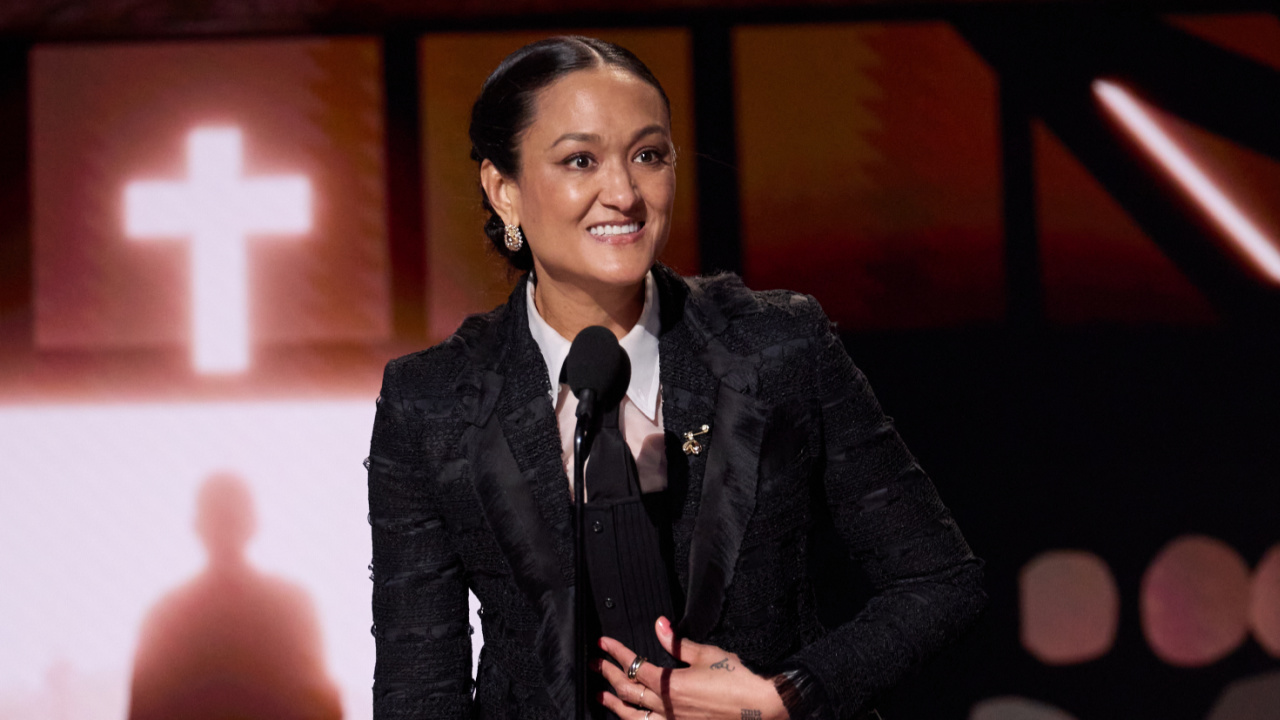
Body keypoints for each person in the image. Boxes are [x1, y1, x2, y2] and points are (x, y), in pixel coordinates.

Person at [366, 36, 985, 720]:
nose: (624, 195)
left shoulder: (778, 346)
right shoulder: (432, 404)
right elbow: (418, 694)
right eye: (580, 161)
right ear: (503, 190)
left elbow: (940, 580)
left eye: (649, 155)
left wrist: (784, 697)